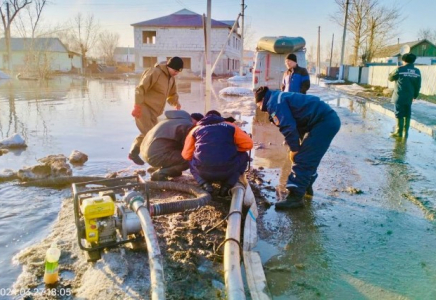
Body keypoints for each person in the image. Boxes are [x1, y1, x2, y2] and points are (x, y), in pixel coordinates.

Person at [254, 86, 341, 209]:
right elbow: (297, 125)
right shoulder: (277, 97)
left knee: (303, 159)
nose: (258, 107)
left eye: (257, 104)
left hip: (324, 122)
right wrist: (296, 145)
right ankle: (305, 185)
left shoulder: (274, 103)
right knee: (307, 156)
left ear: (261, 100)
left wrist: (295, 150)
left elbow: (288, 127)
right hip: (325, 121)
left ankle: (295, 198)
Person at [182, 110, 253, 197]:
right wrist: (234, 149)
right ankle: (228, 185)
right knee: (244, 155)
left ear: (204, 119)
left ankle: (204, 184)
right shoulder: (230, 126)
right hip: (228, 170)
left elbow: (186, 155)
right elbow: (249, 144)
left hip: (203, 171)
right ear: (220, 118)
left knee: (191, 159)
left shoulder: (196, 129)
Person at [128, 56, 184, 165]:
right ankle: (151, 160)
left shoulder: (171, 79)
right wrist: (137, 106)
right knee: (151, 135)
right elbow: (140, 89)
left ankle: (133, 153)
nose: (176, 73)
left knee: (150, 133)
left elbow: (172, 95)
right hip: (143, 108)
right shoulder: (155, 72)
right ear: (169, 66)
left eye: (178, 71)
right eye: (175, 70)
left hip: (155, 112)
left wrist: (176, 103)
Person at [140, 110, 203, 181]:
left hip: (145, 153)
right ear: (197, 122)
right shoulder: (188, 125)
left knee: (181, 155)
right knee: (191, 159)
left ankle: (163, 168)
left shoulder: (169, 120)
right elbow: (187, 150)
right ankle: (161, 173)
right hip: (155, 156)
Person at [388, 53, 421, 138]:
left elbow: (390, 78)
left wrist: (395, 69)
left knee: (399, 113)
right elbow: (418, 85)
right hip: (409, 96)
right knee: (407, 113)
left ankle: (398, 132)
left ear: (404, 60)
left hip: (399, 95)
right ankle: (405, 133)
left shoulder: (400, 69)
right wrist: (415, 96)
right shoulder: (417, 71)